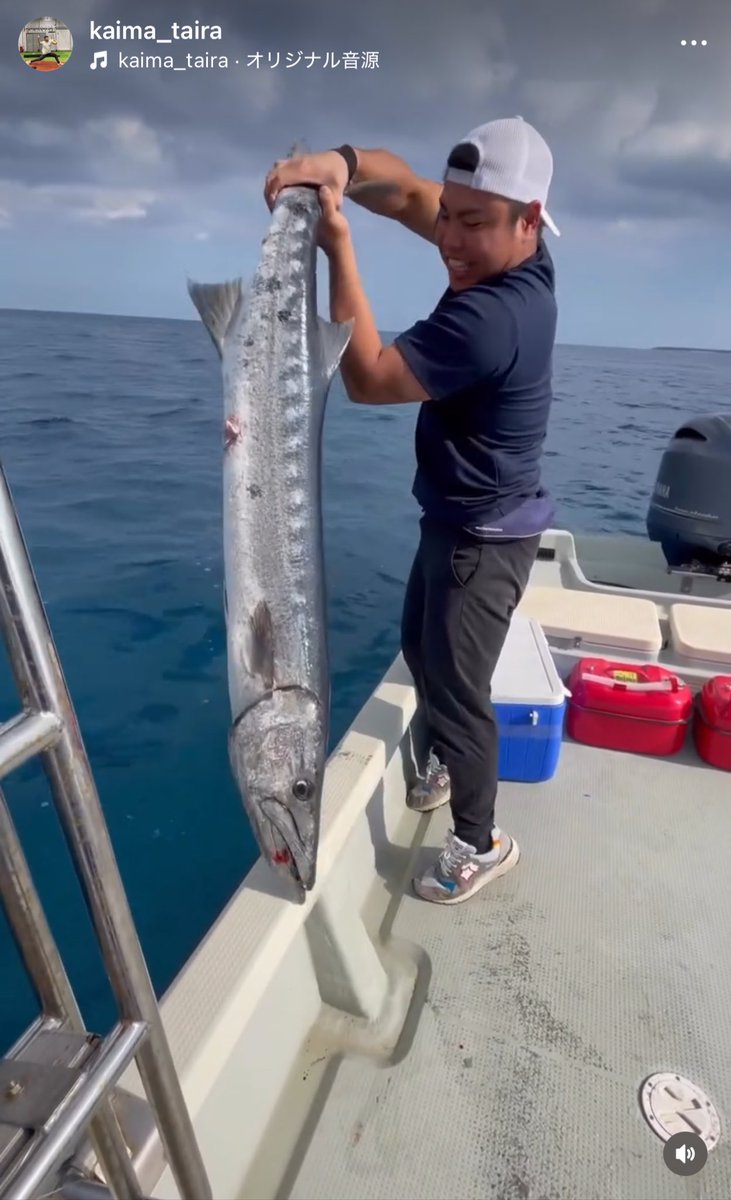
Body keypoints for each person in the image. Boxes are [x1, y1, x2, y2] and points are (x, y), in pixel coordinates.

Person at [265, 116, 559, 904]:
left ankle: (479, 839)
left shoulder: (493, 316)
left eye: (472, 224)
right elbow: (404, 192)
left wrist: (338, 247)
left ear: (526, 219)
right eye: (451, 217)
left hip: (485, 534)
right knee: (419, 649)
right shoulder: (507, 241)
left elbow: (367, 378)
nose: (451, 239)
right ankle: (439, 760)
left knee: (460, 689)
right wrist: (341, 162)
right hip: (455, 515)